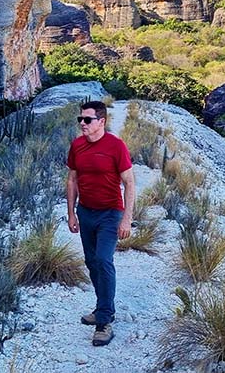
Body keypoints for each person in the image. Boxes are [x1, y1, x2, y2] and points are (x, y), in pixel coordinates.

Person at [66, 100, 135, 347]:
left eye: (88, 120)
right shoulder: (77, 146)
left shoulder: (116, 146)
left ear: (101, 121)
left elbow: (129, 182)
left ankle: (104, 321)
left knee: (104, 260)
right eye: (80, 120)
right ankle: (102, 306)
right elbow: (72, 180)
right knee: (91, 262)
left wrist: (127, 218)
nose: (82, 124)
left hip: (110, 213)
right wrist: (72, 214)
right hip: (86, 213)